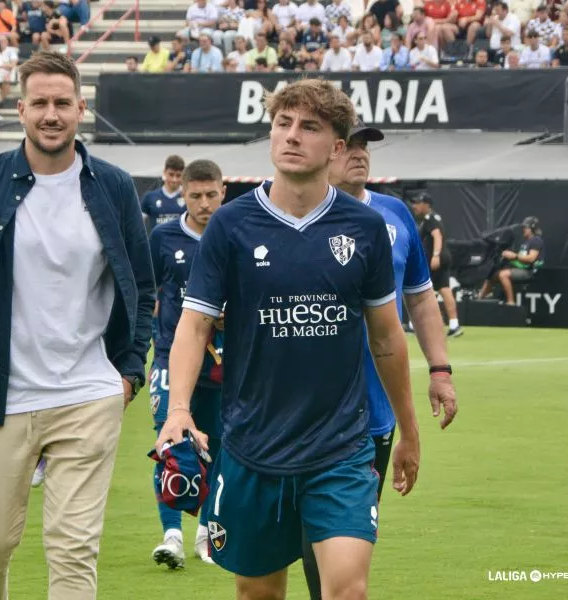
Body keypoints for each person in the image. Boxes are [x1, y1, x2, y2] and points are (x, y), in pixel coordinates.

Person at [156, 79, 421, 600]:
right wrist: (179, 409)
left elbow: (387, 337)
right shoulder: (231, 225)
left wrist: (409, 430)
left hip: (340, 449)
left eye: (310, 127)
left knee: (347, 589)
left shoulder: (363, 227)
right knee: (258, 593)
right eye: (283, 124)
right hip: (252, 447)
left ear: (338, 148)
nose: (292, 136)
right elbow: (195, 323)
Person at [0, 51, 155, 600]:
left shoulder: (114, 187)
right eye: (40, 103)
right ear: (20, 109)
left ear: (81, 109)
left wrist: (128, 372)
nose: (52, 114)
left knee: (74, 551)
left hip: (88, 395)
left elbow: (142, 291)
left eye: (62, 103)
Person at [300, 120, 458, 600]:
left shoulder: (394, 215)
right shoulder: (297, 211)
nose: (361, 154)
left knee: (348, 542)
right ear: (327, 150)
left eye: (368, 145)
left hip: (374, 413)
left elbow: (422, 299)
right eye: (352, 145)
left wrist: (440, 370)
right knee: (304, 548)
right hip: (301, 410)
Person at [148, 160, 226, 569]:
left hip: (220, 362)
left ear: (223, 191)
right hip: (169, 357)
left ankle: (207, 531)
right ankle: (172, 535)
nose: (204, 203)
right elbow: (149, 293)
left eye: (211, 194)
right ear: (183, 195)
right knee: (172, 444)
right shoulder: (162, 237)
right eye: (195, 196)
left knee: (216, 446)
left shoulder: (235, 234)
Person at [410, 192, 463, 337]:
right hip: (443, 258)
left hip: (437, 260)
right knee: (445, 290)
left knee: (419, 290)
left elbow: (437, 236)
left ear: (426, 204)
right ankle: (454, 324)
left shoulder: (430, 219)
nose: (414, 206)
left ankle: (414, 325)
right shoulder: (432, 218)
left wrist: (435, 255)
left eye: (418, 203)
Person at [478, 216, 546, 304]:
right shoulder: (526, 242)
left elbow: (531, 259)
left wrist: (514, 256)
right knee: (492, 275)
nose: (523, 229)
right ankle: (480, 299)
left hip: (529, 272)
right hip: (522, 268)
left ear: (531, 229)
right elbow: (521, 260)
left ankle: (510, 302)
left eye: (525, 227)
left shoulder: (536, 240)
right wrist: (508, 257)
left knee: (503, 274)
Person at [141, 155, 186, 229]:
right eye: (171, 174)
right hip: (157, 240)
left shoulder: (188, 197)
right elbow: (138, 224)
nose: (174, 179)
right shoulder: (150, 197)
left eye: (178, 175)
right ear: (164, 172)